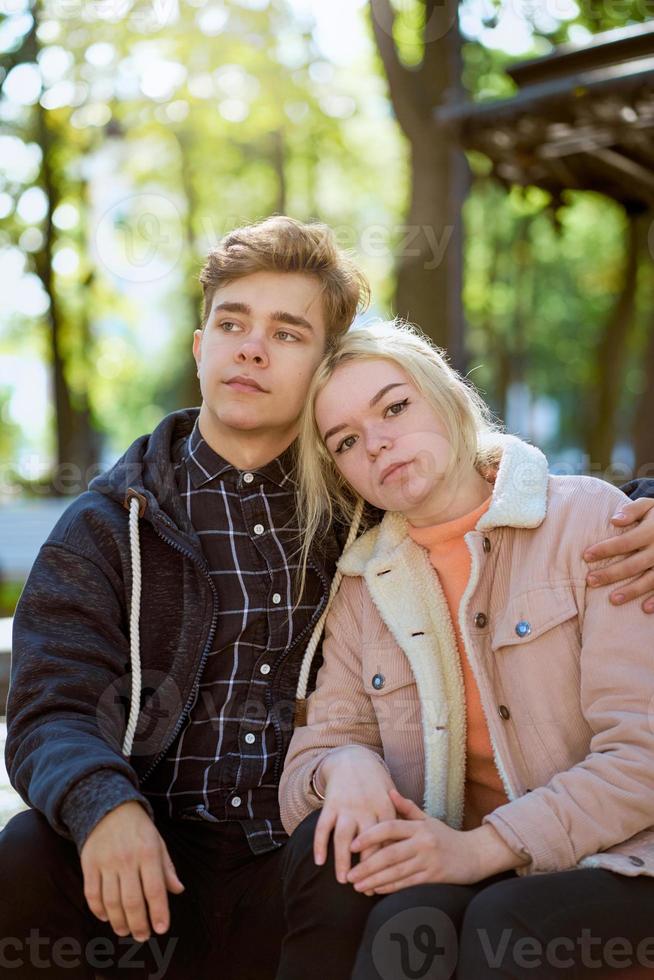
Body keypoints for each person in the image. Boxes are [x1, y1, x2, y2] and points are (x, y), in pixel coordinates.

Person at [1, 220, 652, 980]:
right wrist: (103, 806)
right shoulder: (113, 523)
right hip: (152, 851)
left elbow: (490, 486)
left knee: (350, 853)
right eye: (232, 324)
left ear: (320, 369)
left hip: (295, 860)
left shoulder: (365, 514)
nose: (250, 348)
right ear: (199, 345)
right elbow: (50, 705)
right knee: (26, 851)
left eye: (287, 332)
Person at [278, 320, 654, 980]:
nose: (378, 443)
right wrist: (343, 765)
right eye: (346, 441)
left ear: (447, 398)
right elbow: (307, 765)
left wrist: (483, 849)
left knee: (503, 923)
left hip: (624, 855)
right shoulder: (365, 585)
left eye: (394, 406)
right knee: (389, 907)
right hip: (467, 857)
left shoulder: (589, 522)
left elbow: (643, 758)